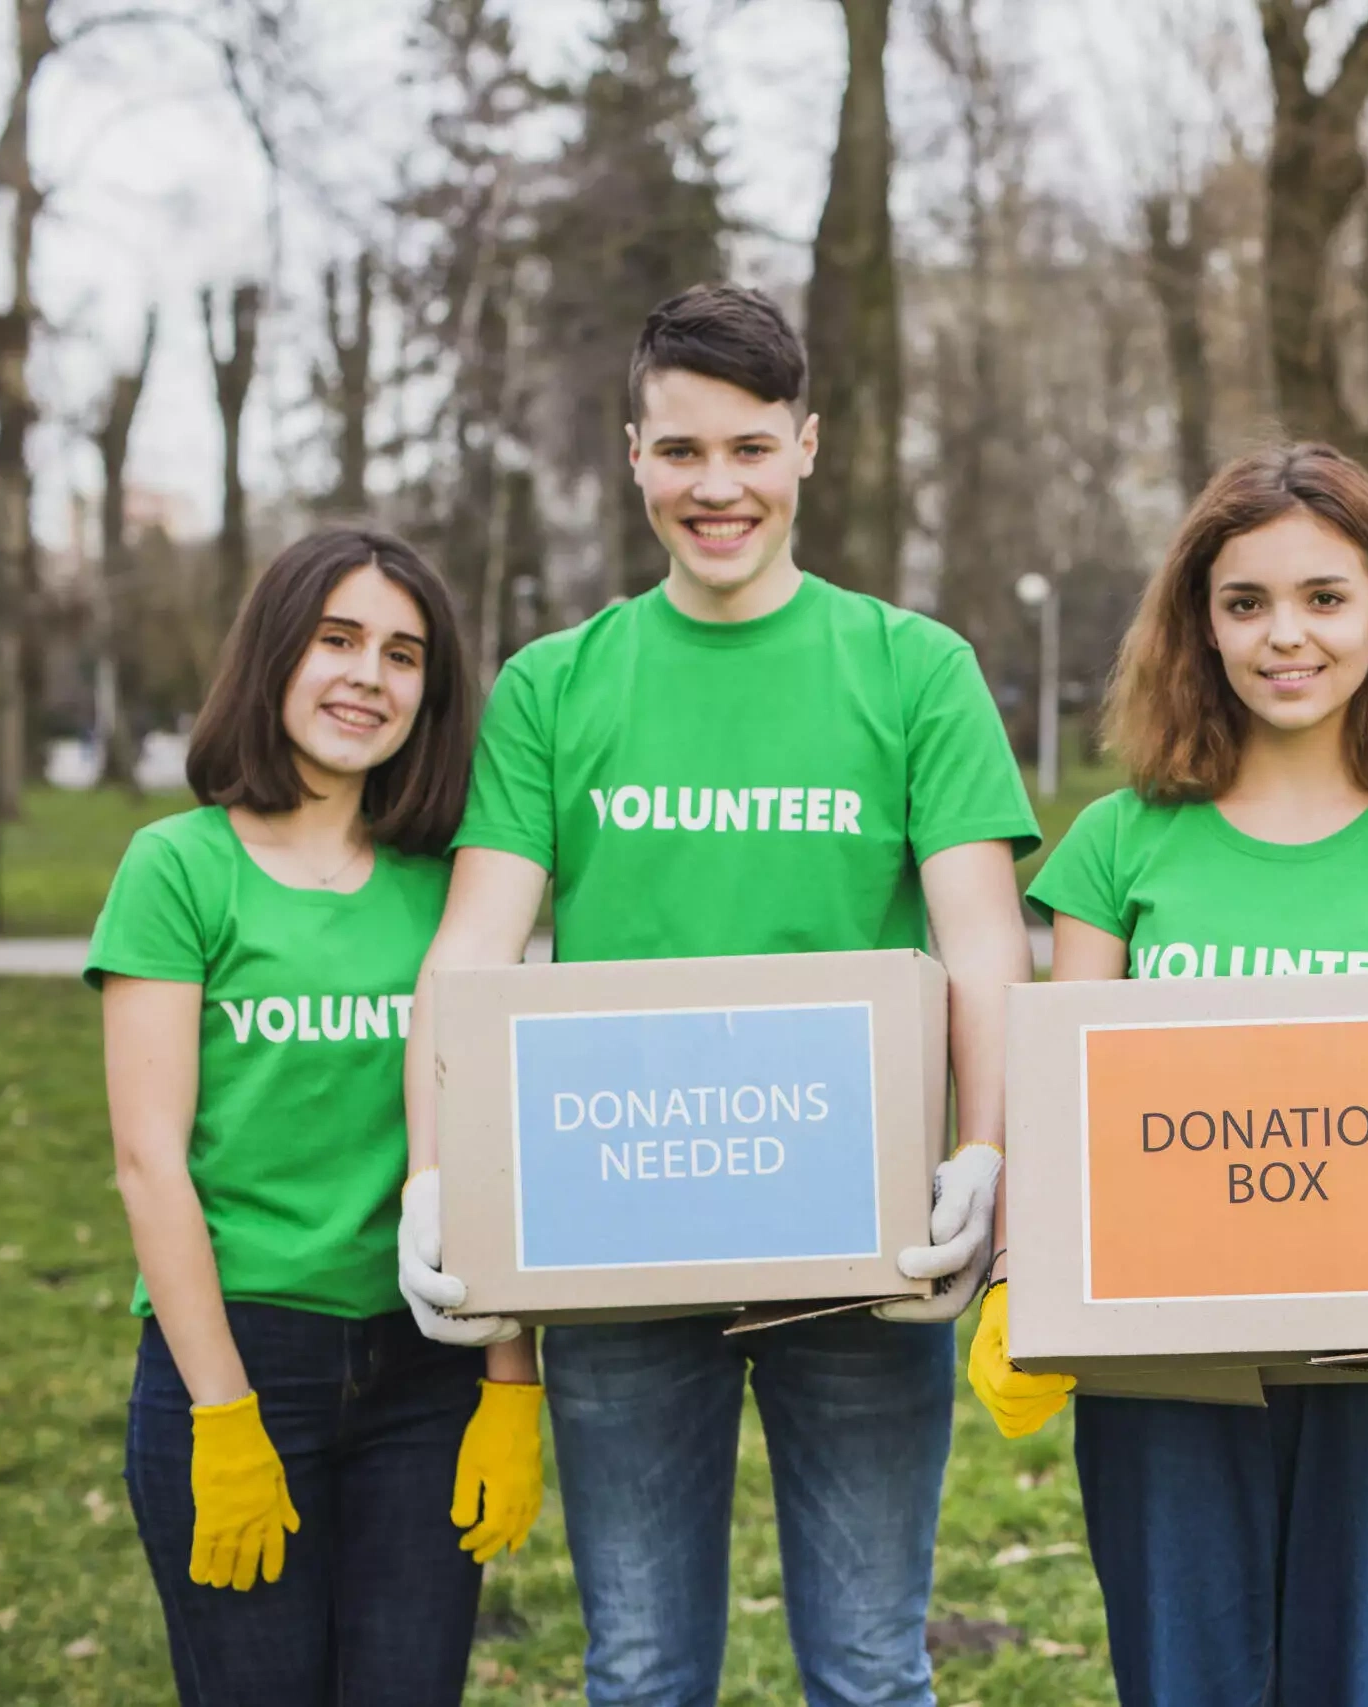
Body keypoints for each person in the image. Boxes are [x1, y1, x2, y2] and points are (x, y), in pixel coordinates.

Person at [393, 283, 1039, 1707]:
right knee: (637, 1670)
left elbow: (986, 940)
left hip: (864, 1243)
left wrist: (987, 1149)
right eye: (681, 450)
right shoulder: (554, 686)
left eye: (749, 447)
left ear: (807, 445)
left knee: (870, 1665)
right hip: (618, 1233)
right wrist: (436, 1177)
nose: (717, 486)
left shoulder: (913, 669)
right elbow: (472, 948)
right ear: (634, 455)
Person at [967, 442, 1368, 1707]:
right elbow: (1059, 1126)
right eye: (1245, 602)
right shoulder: (1117, 843)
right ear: (1202, 623)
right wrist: (1011, 1282)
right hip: (1163, 1366)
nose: (1285, 637)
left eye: (1323, 597)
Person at [90, 529, 543, 1707]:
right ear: (276, 653)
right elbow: (148, 1162)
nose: (367, 677)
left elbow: (492, 1148)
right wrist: (223, 1412)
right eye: (337, 640)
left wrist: (511, 1382)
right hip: (240, 1355)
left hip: (425, 1365)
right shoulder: (176, 868)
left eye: (403, 655)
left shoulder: (455, 892)